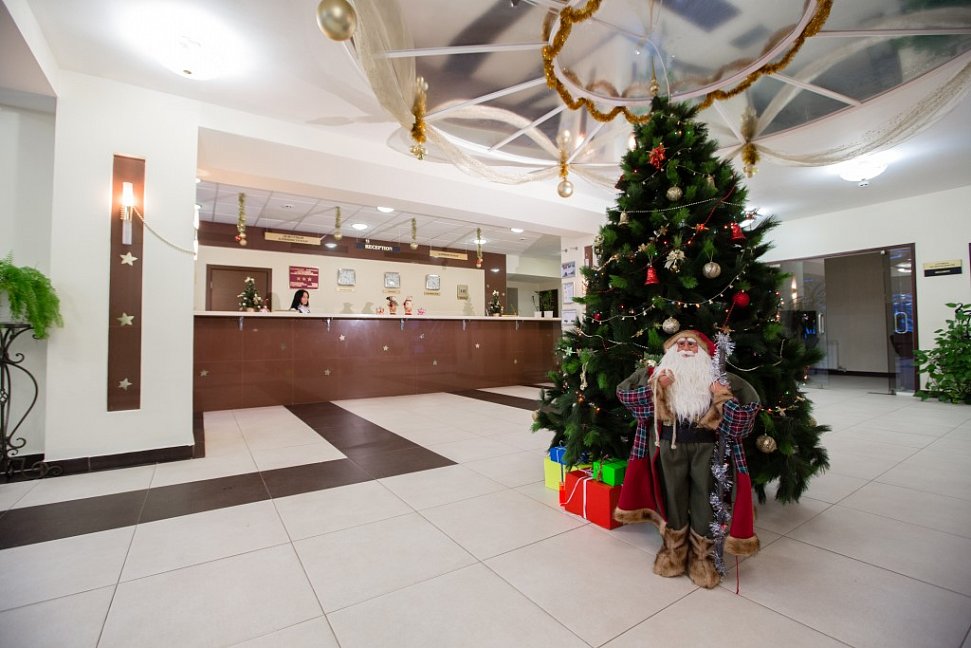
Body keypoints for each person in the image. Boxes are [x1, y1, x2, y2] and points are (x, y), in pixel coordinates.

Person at [613, 330, 760, 588]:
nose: (685, 348)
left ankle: (702, 557)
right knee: (672, 495)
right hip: (668, 446)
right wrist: (657, 387)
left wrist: (722, 396)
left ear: (704, 352)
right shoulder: (653, 374)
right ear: (671, 351)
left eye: (692, 344)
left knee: (705, 498)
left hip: (707, 448)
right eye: (680, 343)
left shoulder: (722, 380)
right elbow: (624, 395)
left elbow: (744, 420)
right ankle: (673, 551)